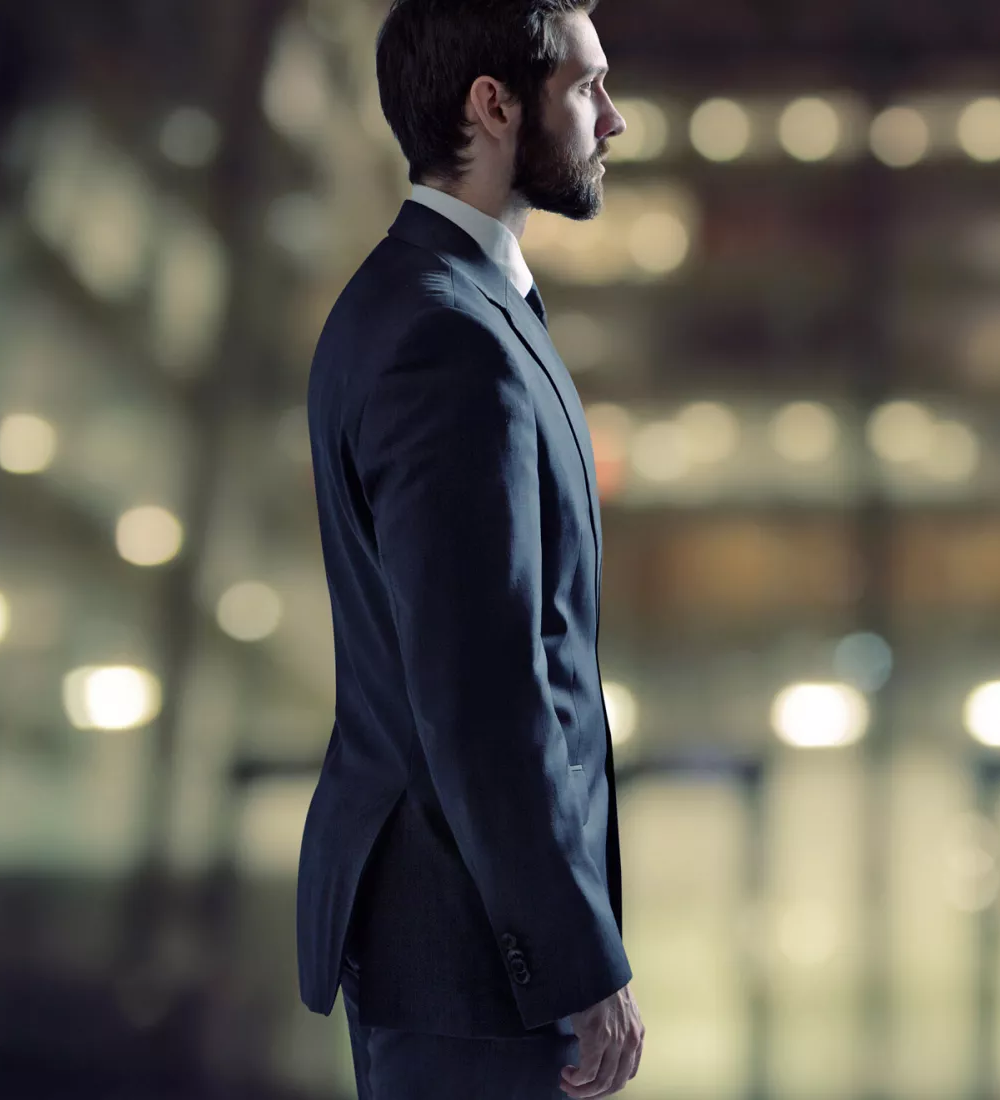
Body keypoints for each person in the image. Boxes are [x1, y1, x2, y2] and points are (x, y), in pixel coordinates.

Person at [295, 1, 642, 1096]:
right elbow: (483, 690)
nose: (613, 119)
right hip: (471, 957)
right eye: (586, 87)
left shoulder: (431, 304)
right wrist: (576, 962)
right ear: (492, 105)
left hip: (454, 946)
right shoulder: (446, 334)